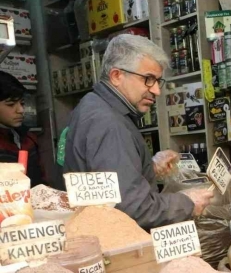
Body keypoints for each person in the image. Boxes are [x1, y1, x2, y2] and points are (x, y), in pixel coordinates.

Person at [64, 34, 213, 229]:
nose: (156, 91)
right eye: (148, 79)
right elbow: (133, 208)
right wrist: (187, 202)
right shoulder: (107, 123)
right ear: (117, 76)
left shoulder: (94, 106)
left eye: (158, 81)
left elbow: (110, 182)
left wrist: (148, 168)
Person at [0, 71, 45, 186]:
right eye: (11, 104)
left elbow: (40, 180)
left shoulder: (29, 139)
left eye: (22, 103)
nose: (20, 110)